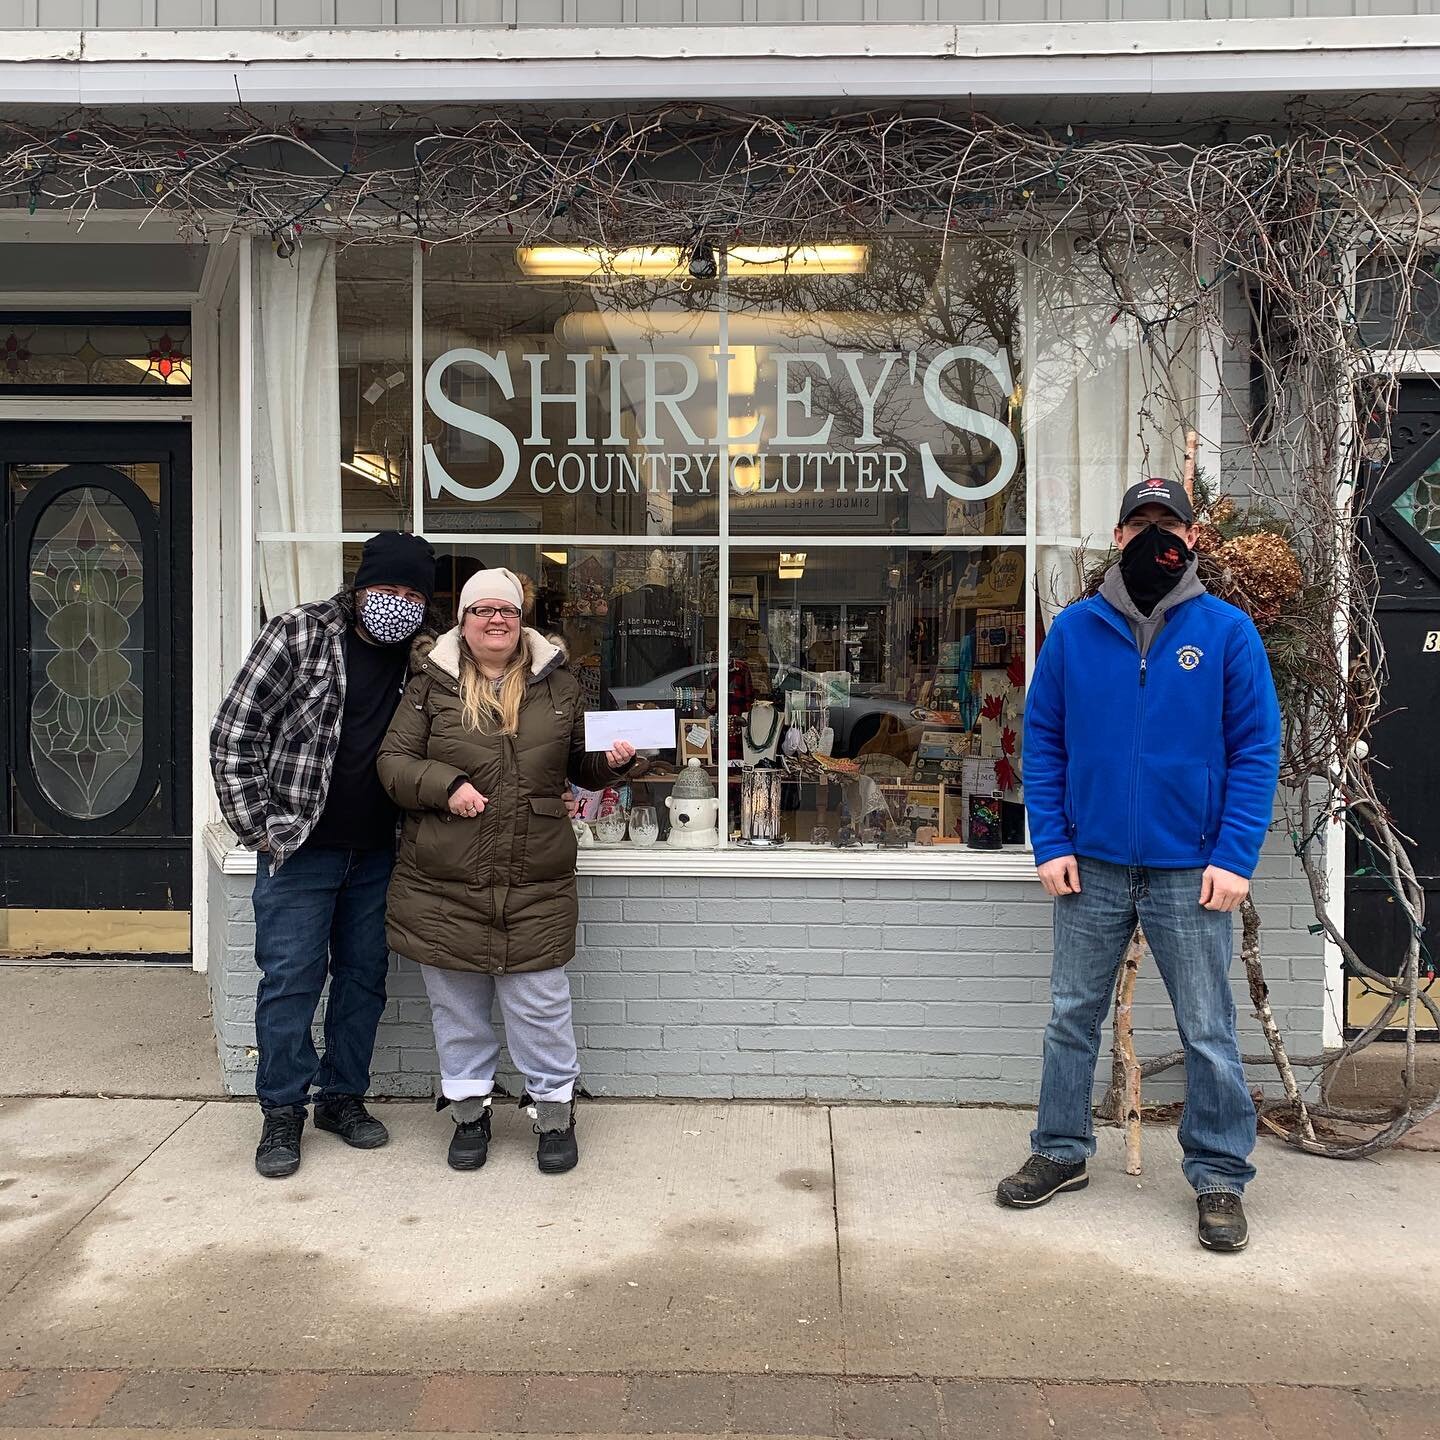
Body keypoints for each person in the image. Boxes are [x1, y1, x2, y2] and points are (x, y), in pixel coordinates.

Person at [998, 477, 1281, 1253]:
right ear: (1118, 538)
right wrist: (1050, 841)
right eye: (1140, 523)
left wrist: (1234, 854)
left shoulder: (1227, 633)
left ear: (1190, 540)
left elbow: (1257, 751)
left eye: (1169, 523)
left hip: (1191, 868)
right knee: (1070, 1017)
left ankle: (1220, 1174)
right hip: (1090, 864)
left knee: (1208, 1028)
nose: (1155, 535)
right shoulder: (1076, 632)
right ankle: (1060, 1150)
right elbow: (1044, 742)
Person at [377, 567, 635, 1175]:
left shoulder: (560, 685)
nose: (497, 620)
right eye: (482, 610)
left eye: (508, 612)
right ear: (462, 623)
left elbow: (580, 765)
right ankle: (469, 1116)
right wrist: (447, 786)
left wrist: (614, 762)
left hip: (533, 877)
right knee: (458, 1010)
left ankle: (554, 1118)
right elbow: (392, 762)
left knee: (540, 1007)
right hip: (445, 880)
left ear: (523, 622)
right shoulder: (429, 685)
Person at [210, 531, 438, 1179]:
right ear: (360, 586)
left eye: (411, 593)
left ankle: (343, 1097)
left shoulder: (426, 659)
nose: (397, 603)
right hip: (300, 849)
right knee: (291, 981)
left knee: (364, 979)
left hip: (380, 854)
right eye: (387, 589)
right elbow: (235, 732)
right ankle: (282, 1110)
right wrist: (261, 827)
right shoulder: (299, 634)